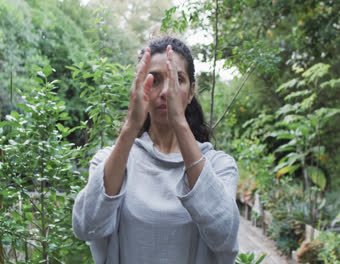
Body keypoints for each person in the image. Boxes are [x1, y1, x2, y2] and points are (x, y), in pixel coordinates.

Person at [72, 36, 240, 264]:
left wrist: (179, 122)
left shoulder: (219, 167)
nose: (165, 92)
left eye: (176, 80)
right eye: (156, 80)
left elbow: (225, 235)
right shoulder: (114, 163)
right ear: (141, 90)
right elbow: (86, 226)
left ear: (191, 92)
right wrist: (131, 125)